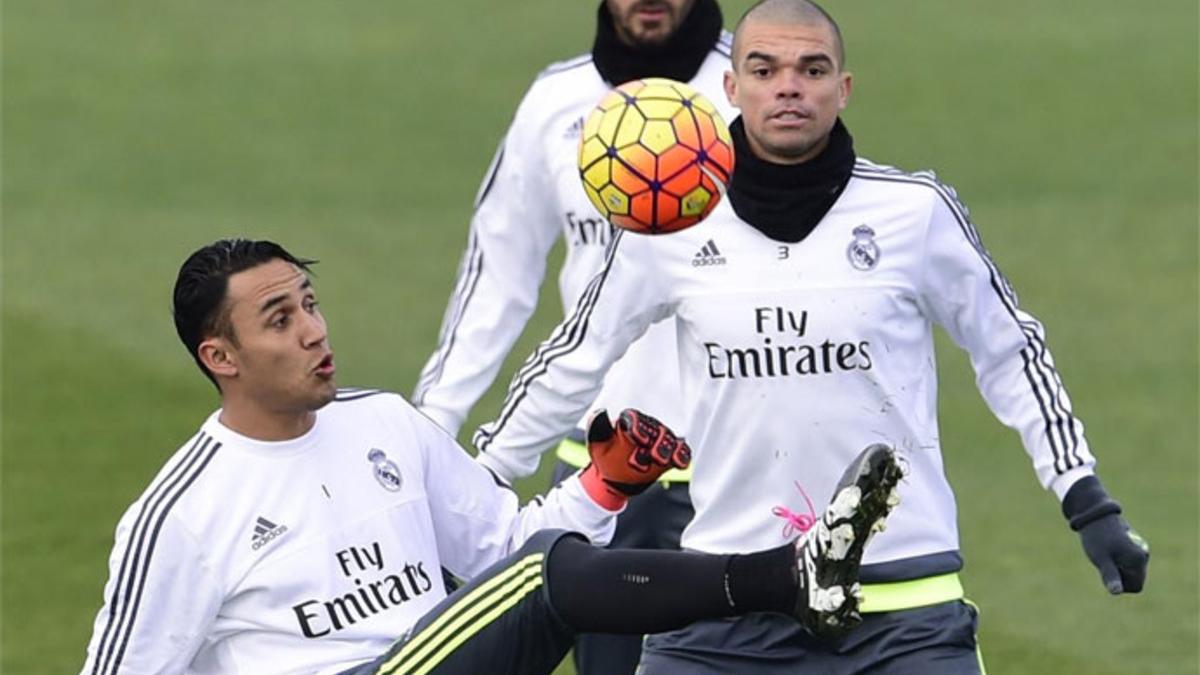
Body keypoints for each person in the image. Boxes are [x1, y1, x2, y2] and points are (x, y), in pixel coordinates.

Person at [470, 1, 1152, 672]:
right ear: (731, 89)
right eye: (765, 70)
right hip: (727, 610)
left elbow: (1011, 349)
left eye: (812, 68)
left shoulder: (914, 213)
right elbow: (569, 360)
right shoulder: (672, 230)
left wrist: (1084, 495)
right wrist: (478, 489)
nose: (789, 85)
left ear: (843, 89)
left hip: (902, 611)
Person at [79, 238, 904, 675]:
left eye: (311, 301)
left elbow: (502, 553)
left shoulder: (386, 425)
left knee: (547, 565)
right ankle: (786, 577)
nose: (314, 329)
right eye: (279, 317)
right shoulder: (179, 514)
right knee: (549, 574)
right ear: (220, 356)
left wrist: (603, 484)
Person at [412, 1, 735, 671]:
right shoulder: (553, 103)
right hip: (603, 463)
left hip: (738, 464)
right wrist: (430, 434)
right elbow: (495, 279)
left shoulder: (754, 91)